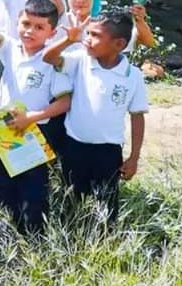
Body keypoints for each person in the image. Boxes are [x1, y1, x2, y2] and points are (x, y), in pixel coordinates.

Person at [0, 0, 72, 233]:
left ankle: (33, 239)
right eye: (26, 24)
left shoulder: (52, 59)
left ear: (52, 33)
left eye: (39, 27)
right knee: (2, 184)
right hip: (4, 131)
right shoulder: (10, 48)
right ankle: (5, 234)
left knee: (33, 189)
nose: (30, 31)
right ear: (18, 22)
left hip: (35, 131)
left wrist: (33, 117)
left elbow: (64, 102)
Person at [43, 12, 148, 219]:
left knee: (106, 202)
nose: (87, 39)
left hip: (108, 151)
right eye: (87, 33)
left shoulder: (133, 75)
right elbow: (49, 58)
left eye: (95, 35)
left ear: (119, 44)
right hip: (74, 145)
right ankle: (71, 239)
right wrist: (69, 40)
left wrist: (134, 157)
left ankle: (103, 241)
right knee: (72, 199)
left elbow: (137, 116)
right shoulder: (81, 61)